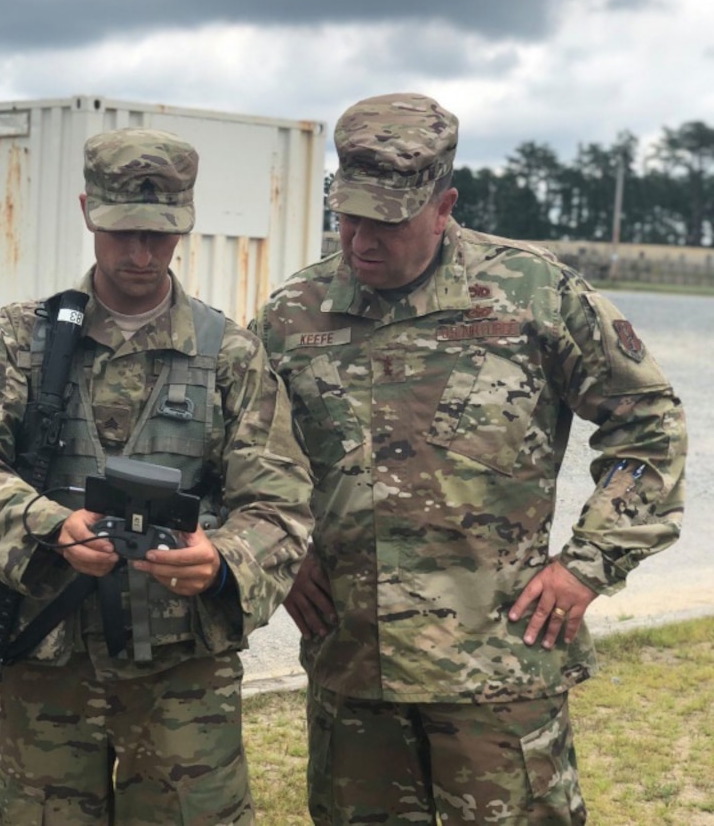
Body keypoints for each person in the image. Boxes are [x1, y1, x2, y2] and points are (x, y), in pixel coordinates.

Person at [251, 92, 687, 825]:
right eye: (347, 214)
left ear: (444, 205)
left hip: (501, 676)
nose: (360, 240)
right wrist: (279, 553)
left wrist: (589, 563)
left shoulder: (533, 293)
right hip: (355, 673)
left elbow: (649, 424)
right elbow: (246, 455)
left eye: (386, 222)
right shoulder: (295, 313)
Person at [0, 127, 315, 824]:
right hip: (49, 662)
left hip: (182, 676)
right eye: (123, 232)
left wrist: (224, 561)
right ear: (88, 212)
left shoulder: (229, 354)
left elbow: (280, 499)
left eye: (160, 234)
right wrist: (48, 525)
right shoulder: (27, 338)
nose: (141, 253)